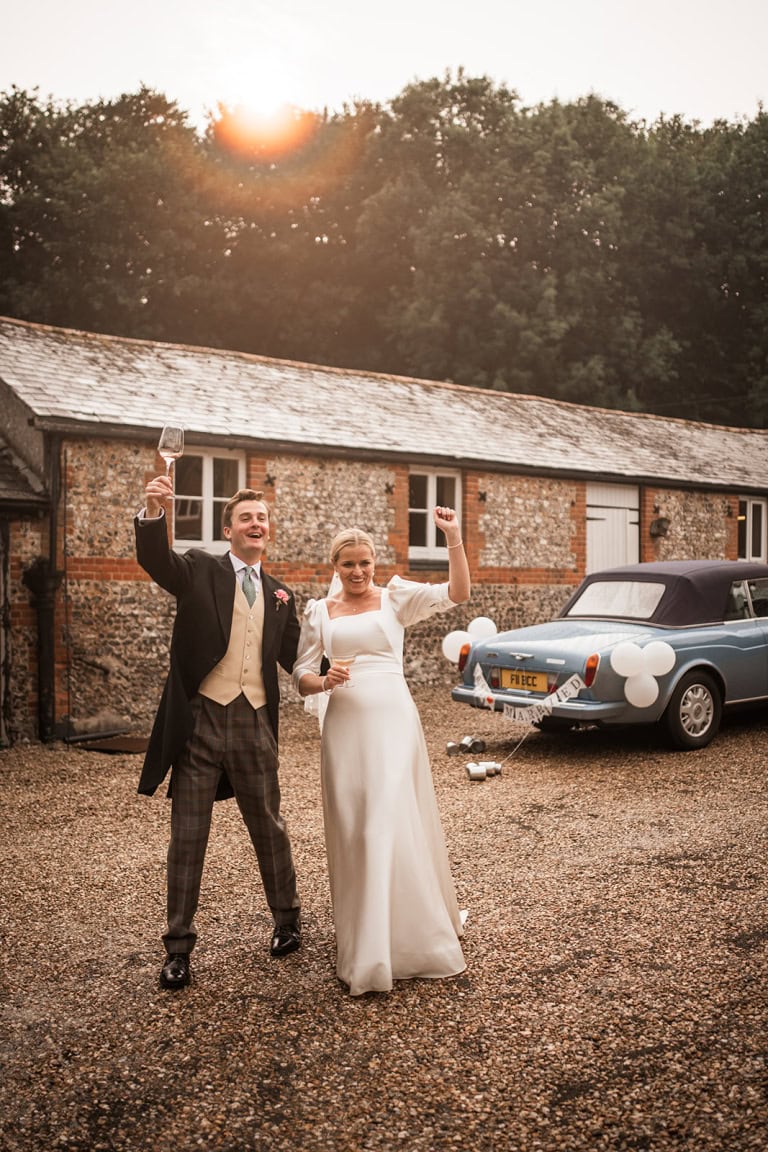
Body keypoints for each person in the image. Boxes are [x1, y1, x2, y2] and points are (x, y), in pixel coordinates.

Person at [293, 506, 470, 996]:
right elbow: (300, 675)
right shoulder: (318, 612)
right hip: (345, 726)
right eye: (348, 564)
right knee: (356, 828)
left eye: (364, 562)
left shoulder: (396, 598)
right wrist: (322, 679)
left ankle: (410, 941)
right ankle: (365, 947)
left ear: (374, 561)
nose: (357, 572)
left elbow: (458, 593)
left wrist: (453, 537)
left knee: (386, 822)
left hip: (393, 718)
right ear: (336, 566)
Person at [135, 474, 302, 990]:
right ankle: (178, 948)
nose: (257, 523)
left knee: (268, 827)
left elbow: (301, 660)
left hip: (254, 719)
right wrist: (153, 514)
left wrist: (351, 672)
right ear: (227, 529)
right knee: (188, 836)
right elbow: (155, 561)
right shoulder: (200, 569)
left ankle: (287, 920)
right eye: (246, 517)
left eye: (263, 518)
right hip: (201, 721)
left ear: (267, 531)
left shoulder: (280, 595)